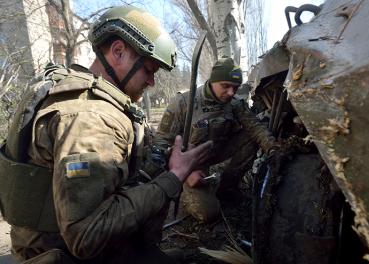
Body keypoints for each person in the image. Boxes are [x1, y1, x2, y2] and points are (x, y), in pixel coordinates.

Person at [0, 6, 212, 263]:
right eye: (148, 70)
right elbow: (85, 236)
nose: (152, 82)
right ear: (118, 52)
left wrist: (167, 160)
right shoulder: (91, 118)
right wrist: (173, 178)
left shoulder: (80, 91)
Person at [151, 58, 281, 223]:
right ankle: (185, 189)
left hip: (217, 151)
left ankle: (227, 187)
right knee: (208, 214)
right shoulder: (184, 103)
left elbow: (255, 127)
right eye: (225, 86)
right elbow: (161, 143)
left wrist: (273, 148)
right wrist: (184, 172)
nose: (231, 92)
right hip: (189, 163)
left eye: (235, 87)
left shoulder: (234, 104)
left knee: (251, 137)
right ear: (212, 81)